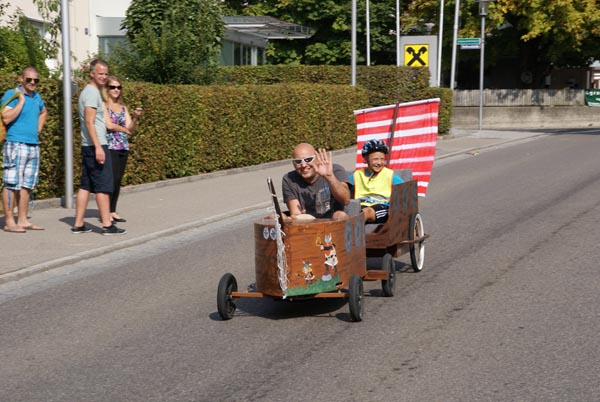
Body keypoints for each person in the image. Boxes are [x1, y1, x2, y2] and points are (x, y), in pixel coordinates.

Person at [71, 59, 126, 235]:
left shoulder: (91, 92)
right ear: (92, 74)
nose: (103, 77)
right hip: (96, 144)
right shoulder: (92, 93)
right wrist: (98, 147)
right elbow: (89, 121)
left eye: (105, 74)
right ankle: (107, 225)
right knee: (103, 185)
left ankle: (78, 224)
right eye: (100, 73)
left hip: (90, 145)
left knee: (86, 185)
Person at [1, 66, 47, 233]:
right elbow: (6, 117)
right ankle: (9, 222)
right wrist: (20, 101)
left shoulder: (37, 97)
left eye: (36, 80)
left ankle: (22, 219)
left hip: (32, 145)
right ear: (21, 79)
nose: (33, 82)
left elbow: (43, 112)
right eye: (29, 79)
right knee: (11, 182)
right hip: (15, 144)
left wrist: (37, 130)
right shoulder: (12, 94)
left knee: (27, 184)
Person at [103, 76, 142, 223]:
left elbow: (130, 127)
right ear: (107, 89)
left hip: (123, 146)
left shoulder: (123, 107)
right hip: (110, 145)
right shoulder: (104, 105)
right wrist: (124, 130)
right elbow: (109, 125)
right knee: (111, 179)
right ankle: (105, 211)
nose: (116, 90)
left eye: (118, 87)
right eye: (113, 87)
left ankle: (112, 210)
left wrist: (136, 118)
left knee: (118, 179)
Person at [282, 143, 350, 220]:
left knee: (339, 215)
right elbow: (295, 212)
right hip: (308, 223)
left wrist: (329, 176)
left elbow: (345, 200)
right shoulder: (289, 179)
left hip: (334, 220)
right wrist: (297, 217)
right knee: (275, 218)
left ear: (317, 158)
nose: (303, 165)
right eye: (298, 161)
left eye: (308, 160)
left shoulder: (335, 170)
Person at [349, 140, 403, 224]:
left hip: (382, 207)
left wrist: (393, 199)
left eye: (382, 159)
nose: (379, 163)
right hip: (360, 206)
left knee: (367, 212)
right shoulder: (357, 175)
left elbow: (405, 190)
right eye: (375, 159)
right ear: (366, 158)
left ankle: (352, 233)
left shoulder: (390, 175)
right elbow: (344, 188)